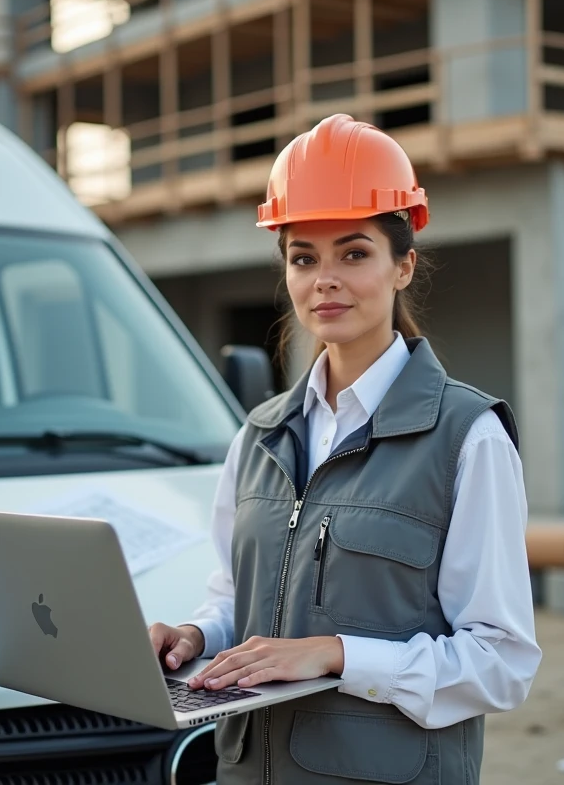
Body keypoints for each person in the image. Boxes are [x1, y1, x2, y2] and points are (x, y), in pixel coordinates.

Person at [148, 114, 541, 784]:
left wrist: (337, 655)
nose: (324, 278)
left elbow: (501, 664)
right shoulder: (260, 435)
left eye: (354, 252)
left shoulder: (466, 437)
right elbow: (232, 600)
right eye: (304, 257)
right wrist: (196, 639)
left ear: (402, 267)